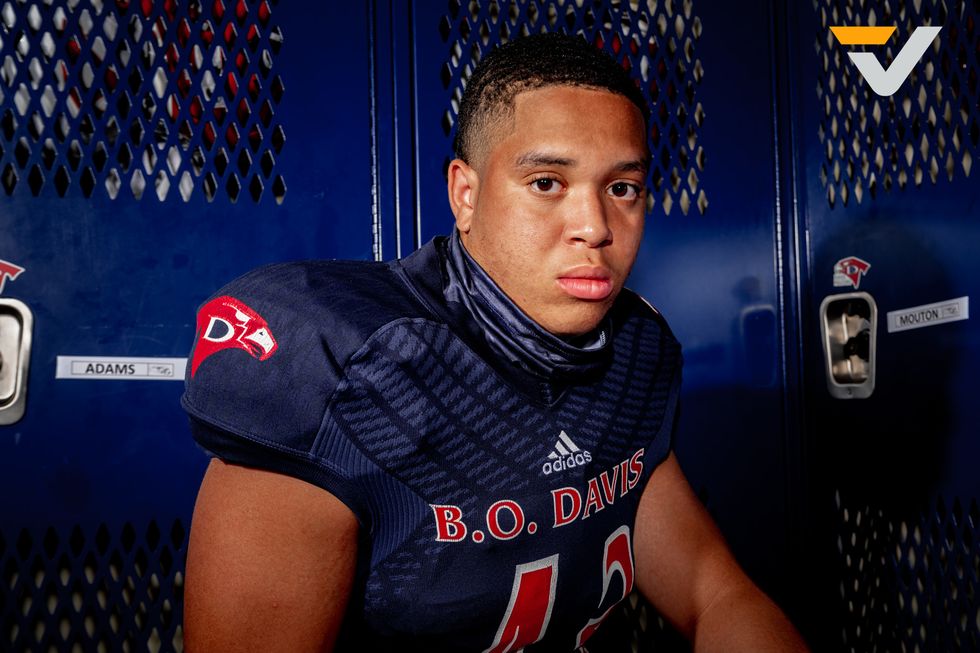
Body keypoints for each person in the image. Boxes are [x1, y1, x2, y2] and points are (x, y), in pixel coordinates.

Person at [181, 33, 808, 652]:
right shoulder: (352, 368)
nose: (595, 227)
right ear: (466, 193)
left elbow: (715, 596)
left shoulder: (634, 352)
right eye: (547, 183)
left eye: (622, 189)